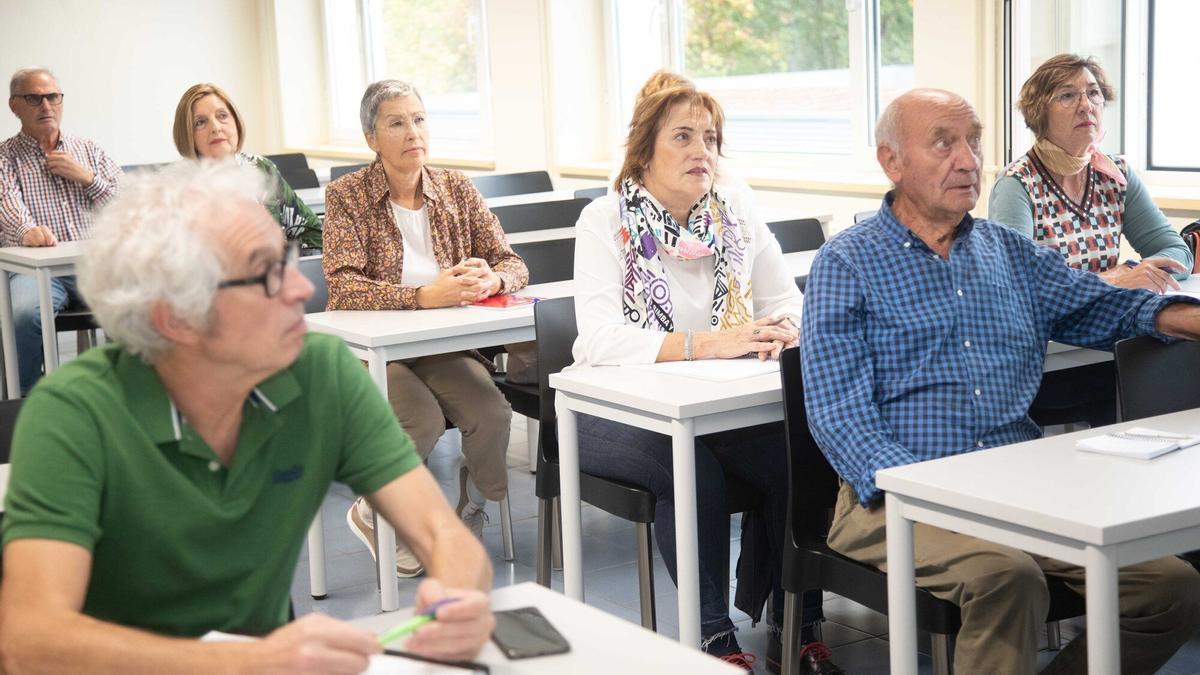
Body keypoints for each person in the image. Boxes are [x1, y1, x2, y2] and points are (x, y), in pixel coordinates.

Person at [0, 160, 494, 674]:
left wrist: (457, 598)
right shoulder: (73, 414)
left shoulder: (321, 373)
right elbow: (31, 641)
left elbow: (443, 534)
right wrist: (244, 662)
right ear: (177, 317)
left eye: (291, 259)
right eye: (268, 273)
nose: (303, 289)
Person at [802, 88, 1200, 675]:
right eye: (944, 143)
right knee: (1005, 578)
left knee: (1167, 586)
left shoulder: (1009, 252)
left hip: (1014, 486)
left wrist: (1184, 317)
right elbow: (839, 412)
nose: (968, 160)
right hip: (890, 494)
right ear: (892, 161)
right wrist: (919, 492)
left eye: (975, 141)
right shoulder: (846, 263)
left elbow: (1101, 307)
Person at [572, 83, 838, 674]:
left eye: (711, 139)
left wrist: (777, 331)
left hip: (715, 406)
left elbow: (787, 303)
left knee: (799, 452)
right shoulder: (605, 219)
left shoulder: (735, 210)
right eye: (684, 137)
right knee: (688, 467)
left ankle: (800, 623)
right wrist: (707, 344)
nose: (703, 151)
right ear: (644, 152)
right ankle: (714, 638)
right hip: (611, 411)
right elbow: (597, 339)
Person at [323, 80, 527, 579]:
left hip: (438, 346)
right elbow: (344, 287)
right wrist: (421, 296)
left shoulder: (456, 187)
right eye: (396, 122)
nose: (413, 131)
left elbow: (511, 261)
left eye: (419, 119)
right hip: (372, 350)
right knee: (421, 421)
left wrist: (493, 277)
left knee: (491, 412)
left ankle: (471, 509)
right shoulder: (345, 196)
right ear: (372, 138)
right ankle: (374, 509)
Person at [989, 54, 1193, 429]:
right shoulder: (1016, 184)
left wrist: (1141, 269)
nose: (1086, 104)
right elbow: (1014, 285)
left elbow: (1176, 250)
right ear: (1039, 113)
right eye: (1068, 95)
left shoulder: (1116, 173)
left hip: (1111, 342)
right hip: (1050, 360)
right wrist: (1111, 279)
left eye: (1094, 93)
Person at [0, 67, 122, 394]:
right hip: (34, 272)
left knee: (145, 299)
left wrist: (87, 178)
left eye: (53, 96)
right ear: (14, 106)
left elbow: (130, 204)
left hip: (94, 267)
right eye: (34, 98)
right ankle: (28, 402)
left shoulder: (88, 150)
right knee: (24, 314)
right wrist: (28, 231)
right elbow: (6, 206)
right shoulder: (5, 156)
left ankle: (131, 393)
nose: (46, 106)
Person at [173, 82, 322, 251]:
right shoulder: (177, 187)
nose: (215, 127)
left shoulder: (260, 167)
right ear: (186, 133)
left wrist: (294, 264)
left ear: (236, 122)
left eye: (222, 116)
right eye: (200, 122)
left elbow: (311, 230)